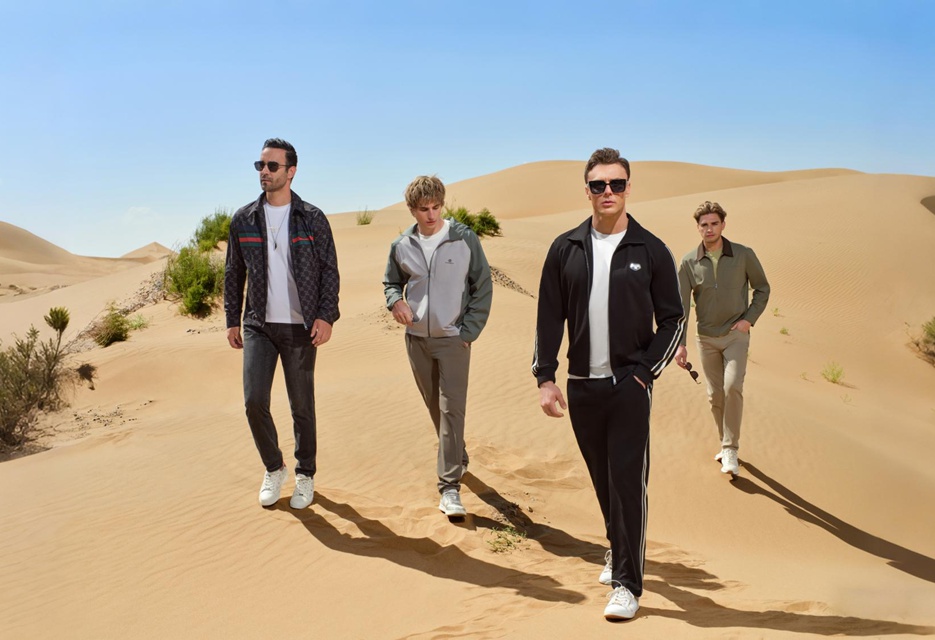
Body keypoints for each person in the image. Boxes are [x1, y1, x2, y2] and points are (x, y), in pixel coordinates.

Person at [532, 148, 683, 620]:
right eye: (599, 185)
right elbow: (548, 317)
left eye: (616, 184)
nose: (608, 192)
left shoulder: (650, 249)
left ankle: (627, 585)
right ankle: (617, 547)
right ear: (588, 191)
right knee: (603, 479)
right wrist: (545, 377)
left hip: (628, 387)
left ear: (628, 188)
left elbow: (674, 320)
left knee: (627, 483)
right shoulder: (566, 248)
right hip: (582, 387)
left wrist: (645, 372)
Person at [224, 138, 340, 509]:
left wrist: (326, 315)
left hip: (300, 327)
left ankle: (305, 474)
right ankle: (275, 468)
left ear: (291, 171)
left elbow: (329, 271)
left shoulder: (312, 218)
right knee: (253, 401)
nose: (264, 172)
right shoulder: (243, 219)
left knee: (301, 405)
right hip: (258, 324)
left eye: (272, 166)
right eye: (260, 165)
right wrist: (231, 320)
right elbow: (233, 272)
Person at [383, 176, 492, 518]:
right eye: (423, 209)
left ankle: (449, 488)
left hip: (453, 340)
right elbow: (391, 282)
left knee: (451, 409)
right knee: (435, 407)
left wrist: (468, 332)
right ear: (411, 210)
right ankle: (457, 454)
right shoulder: (402, 245)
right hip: (416, 340)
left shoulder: (463, 239)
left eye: (436, 207)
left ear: (442, 204)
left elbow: (482, 285)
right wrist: (395, 301)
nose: (431, 215)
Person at [674, 201, 770, 478]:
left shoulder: (743, 254)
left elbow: (762, 289)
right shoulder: (689, 262)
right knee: (715, 395)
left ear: (723, 225)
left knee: (732, 387)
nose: (709, 229)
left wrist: (749, 319)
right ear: (698, 228)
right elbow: (682, 307)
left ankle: (730, 448)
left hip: (735, 336)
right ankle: (724, 443)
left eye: (714, 223)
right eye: (704, 224)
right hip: (705, 339)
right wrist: (680, 344)